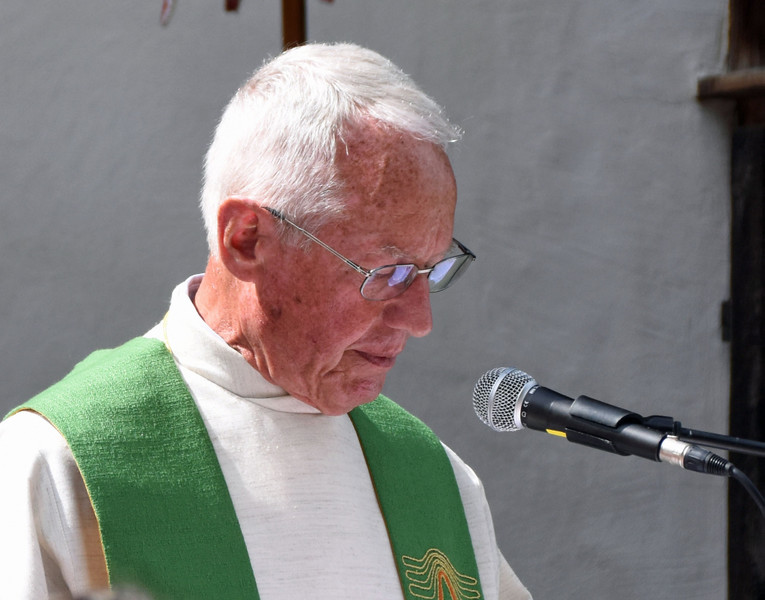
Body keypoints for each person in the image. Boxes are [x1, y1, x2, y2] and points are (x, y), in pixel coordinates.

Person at [0, 43, 531, 600]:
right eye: (388, 272)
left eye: (432, 269)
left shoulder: (433, 479)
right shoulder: (58, 467)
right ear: (247, 241)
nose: (420, 321)